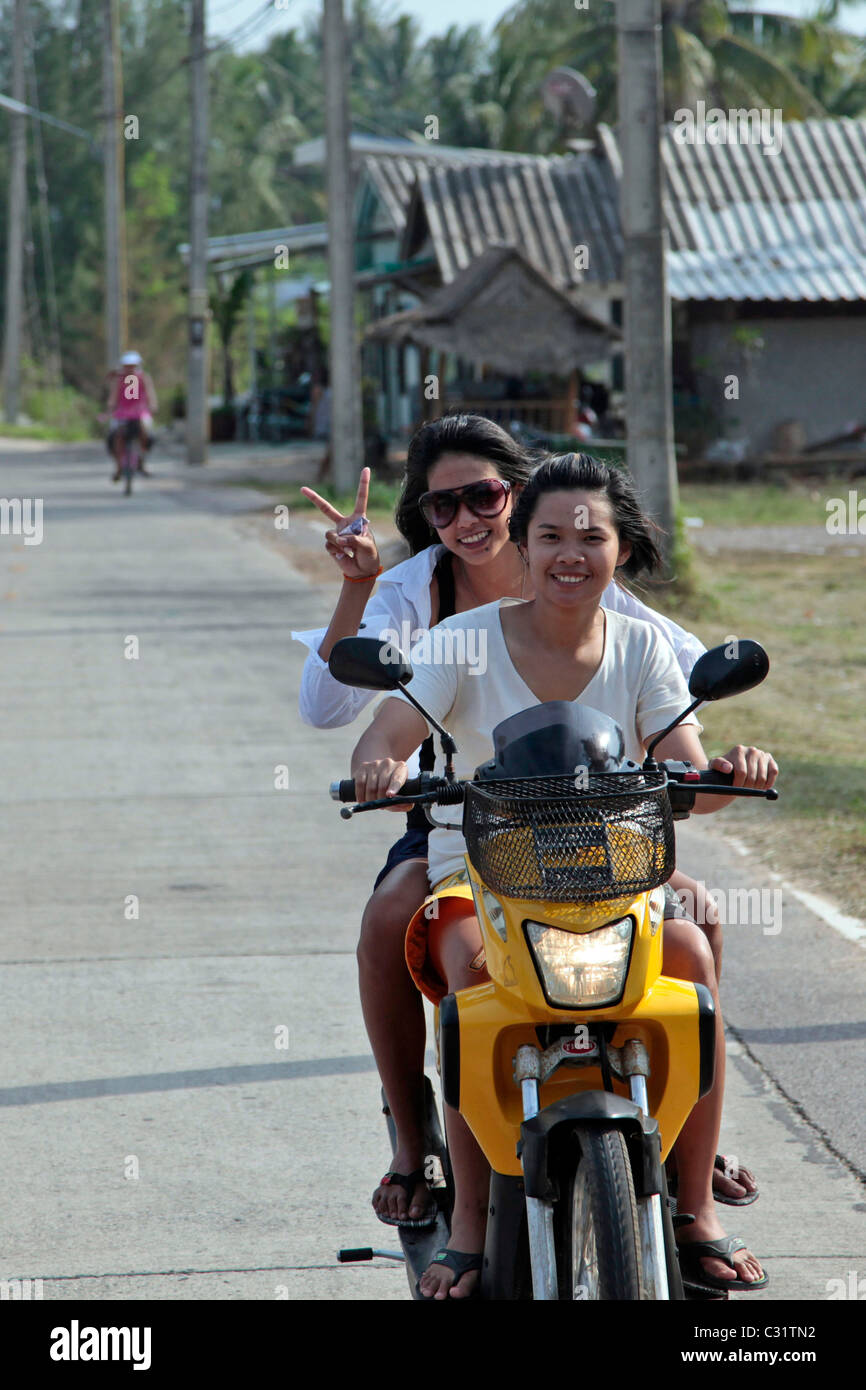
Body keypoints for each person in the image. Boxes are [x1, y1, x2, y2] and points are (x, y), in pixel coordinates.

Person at [290, 416, 747, 1232]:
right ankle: (460, 1210)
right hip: (478, 847)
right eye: (445, 505)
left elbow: (689, 762)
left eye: (590, 539)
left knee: (695, 945)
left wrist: (730, 771)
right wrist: (382, 761)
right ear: (524, 549)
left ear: (621, 550)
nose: (570, 554)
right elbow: (372, 723)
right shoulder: (449, 629)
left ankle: (697, 1199)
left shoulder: (641, 640)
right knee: (459, 965)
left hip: (614, 856)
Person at [105, 351, 158, 482]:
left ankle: (141, 461)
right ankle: (118, 468)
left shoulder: (144, 377)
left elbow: (150, 394)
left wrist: (152, 405)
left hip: (140, 412)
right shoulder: (119, 380)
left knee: (146, 433)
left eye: (133, 365)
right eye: (127, 365)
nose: (130, 368)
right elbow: (113, 397)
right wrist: (110, 406)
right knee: (116, 435)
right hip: (122, 413)